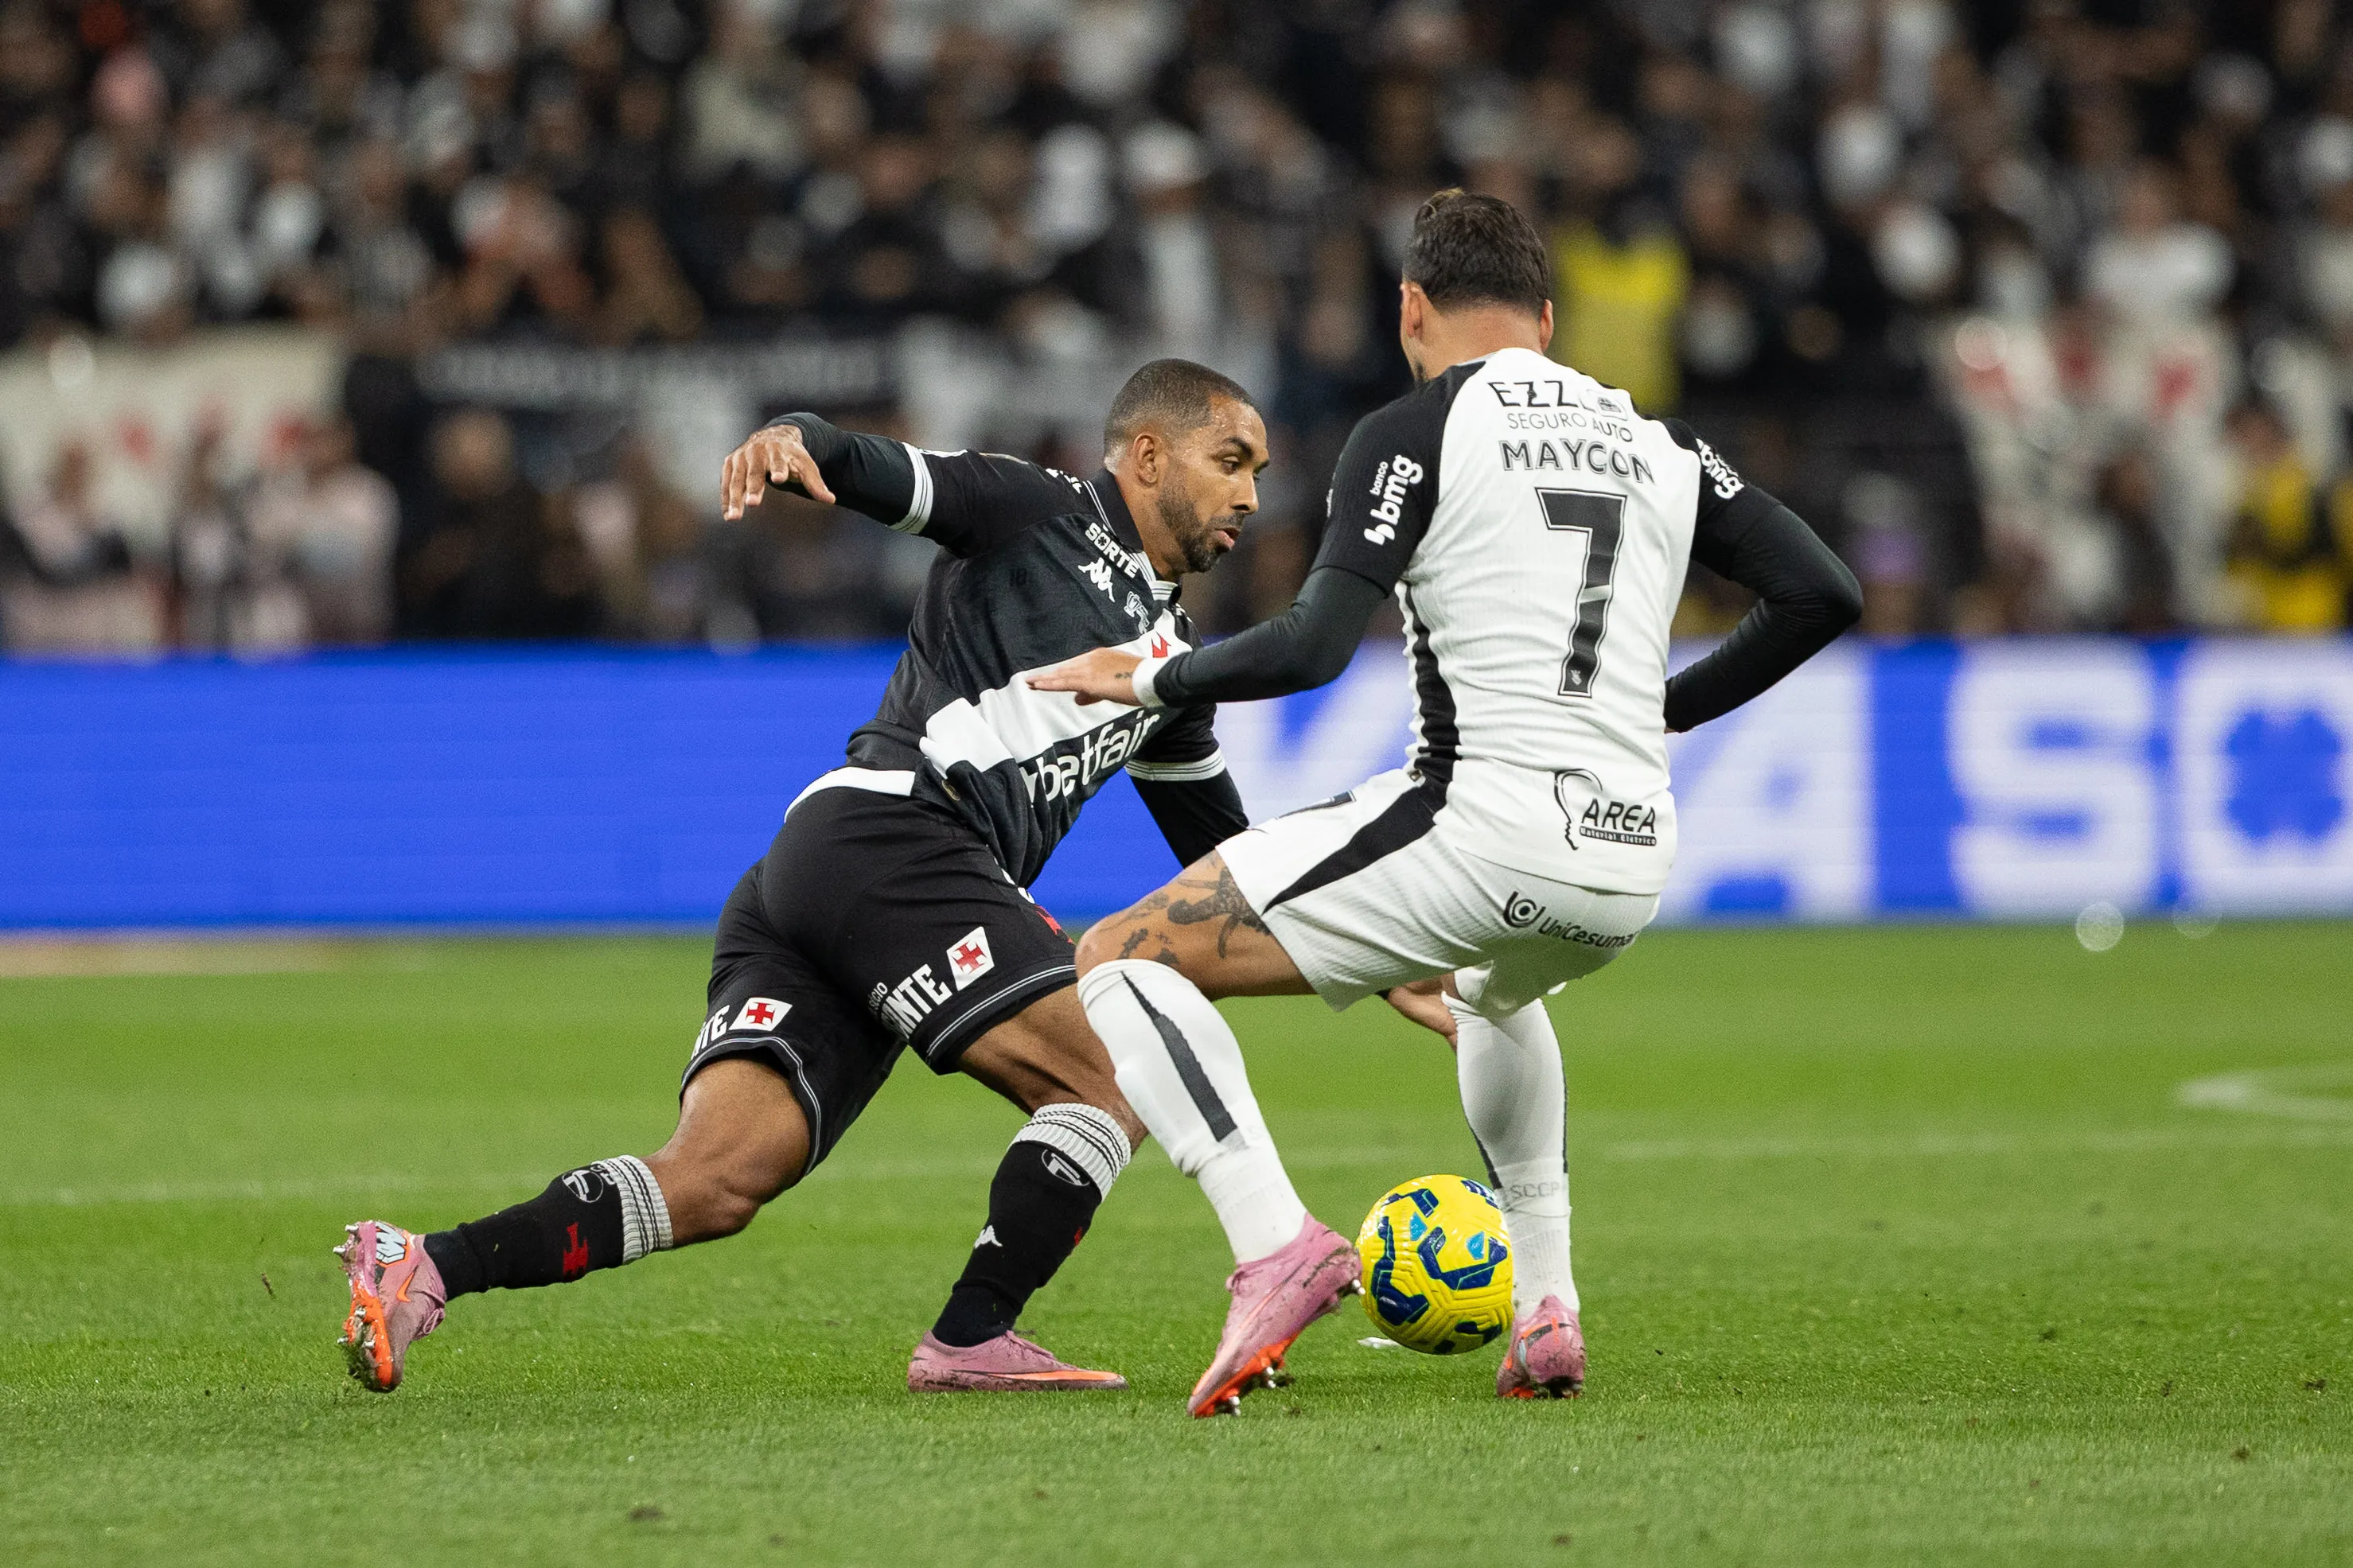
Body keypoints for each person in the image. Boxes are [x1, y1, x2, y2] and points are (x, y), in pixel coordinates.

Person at [334, 359, 1442, 1396]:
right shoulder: (1039, 509)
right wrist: (794, 439)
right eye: (1232, 460)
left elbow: (1230, 859)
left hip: (826, 874)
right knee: (1112, 1072)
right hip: (895, 836)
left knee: (719, 1176)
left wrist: (1362, 942)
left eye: (1258, 471)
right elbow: (889, 474)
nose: (1252, 493)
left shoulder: (1171, 664)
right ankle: (972, 1333)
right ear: (1148, 456)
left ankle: (422, 1265)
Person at [1032, 191, 1863, 1415]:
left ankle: (1275, 1244)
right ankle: (1547, 1307)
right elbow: (1823, 592)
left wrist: (1158, 670)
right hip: (1630, 860)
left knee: (1117, 957)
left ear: (1412, 310)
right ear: (1545, 314)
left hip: (1480, 825)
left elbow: (1315, 647)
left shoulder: (1413, 428)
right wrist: (1668, 711)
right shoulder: (1659, 440)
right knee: (1493, 992)